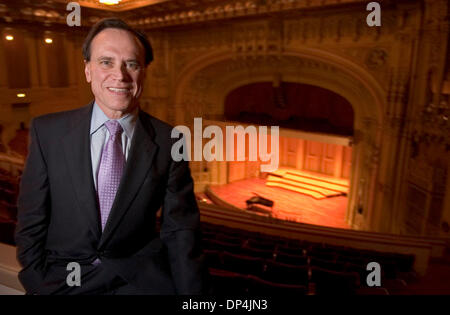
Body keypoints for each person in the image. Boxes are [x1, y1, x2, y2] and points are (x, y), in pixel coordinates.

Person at [14, 18, 209, 295]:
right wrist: (37, 280)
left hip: (138, 282)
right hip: (63, 280)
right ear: (88, 70)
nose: (120, 75)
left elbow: (180, 231)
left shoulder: (170, 140)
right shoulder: (47, 131)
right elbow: (31, 219)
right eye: (106, 62)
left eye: (131, 63)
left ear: (144, 72)